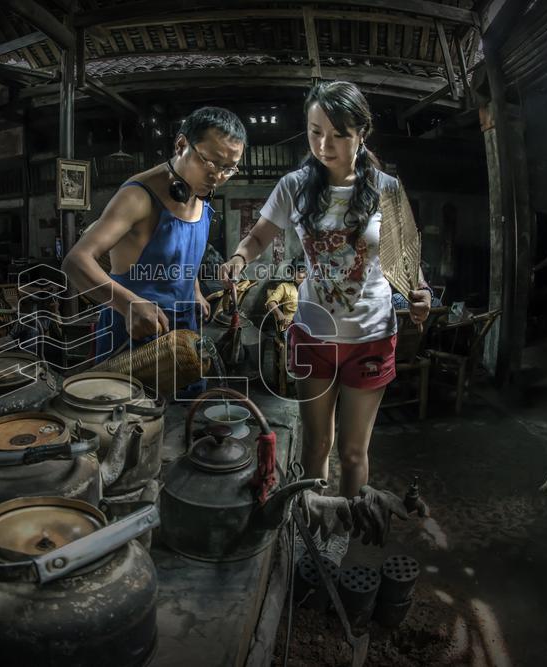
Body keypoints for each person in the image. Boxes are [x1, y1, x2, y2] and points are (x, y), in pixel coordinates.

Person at [221, 81, 430, 557]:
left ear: (362, 133)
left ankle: (347, 544)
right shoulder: (294, 185)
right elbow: (257, 237)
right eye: (315, 132)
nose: (323, 145)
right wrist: (237, 259)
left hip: (371, 336)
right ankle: (310, 542)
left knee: (355, 453)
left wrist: (421, 293)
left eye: (337, 134)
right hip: (312, 334)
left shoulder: (387, 190)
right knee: (316, 447)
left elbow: (407, 260)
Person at [62, 106, 247, 379]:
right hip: (134, 326)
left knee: (185, 410)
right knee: (128, 413)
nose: (218, 176)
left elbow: (187, 254)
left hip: (186, 326)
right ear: (182, 144)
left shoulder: (202, 195)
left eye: (229, 168)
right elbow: (75, 262)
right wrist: (128, 305)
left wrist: (194, 290)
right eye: (211, 162)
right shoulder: (139, 196)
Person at [265, 264, 306, 336]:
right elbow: (271, 302)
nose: (303, 275)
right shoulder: (285, 286)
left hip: (308, 325)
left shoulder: (310, 290)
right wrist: (279, 313)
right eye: (300, 271)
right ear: (293, 274)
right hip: (290, 325)